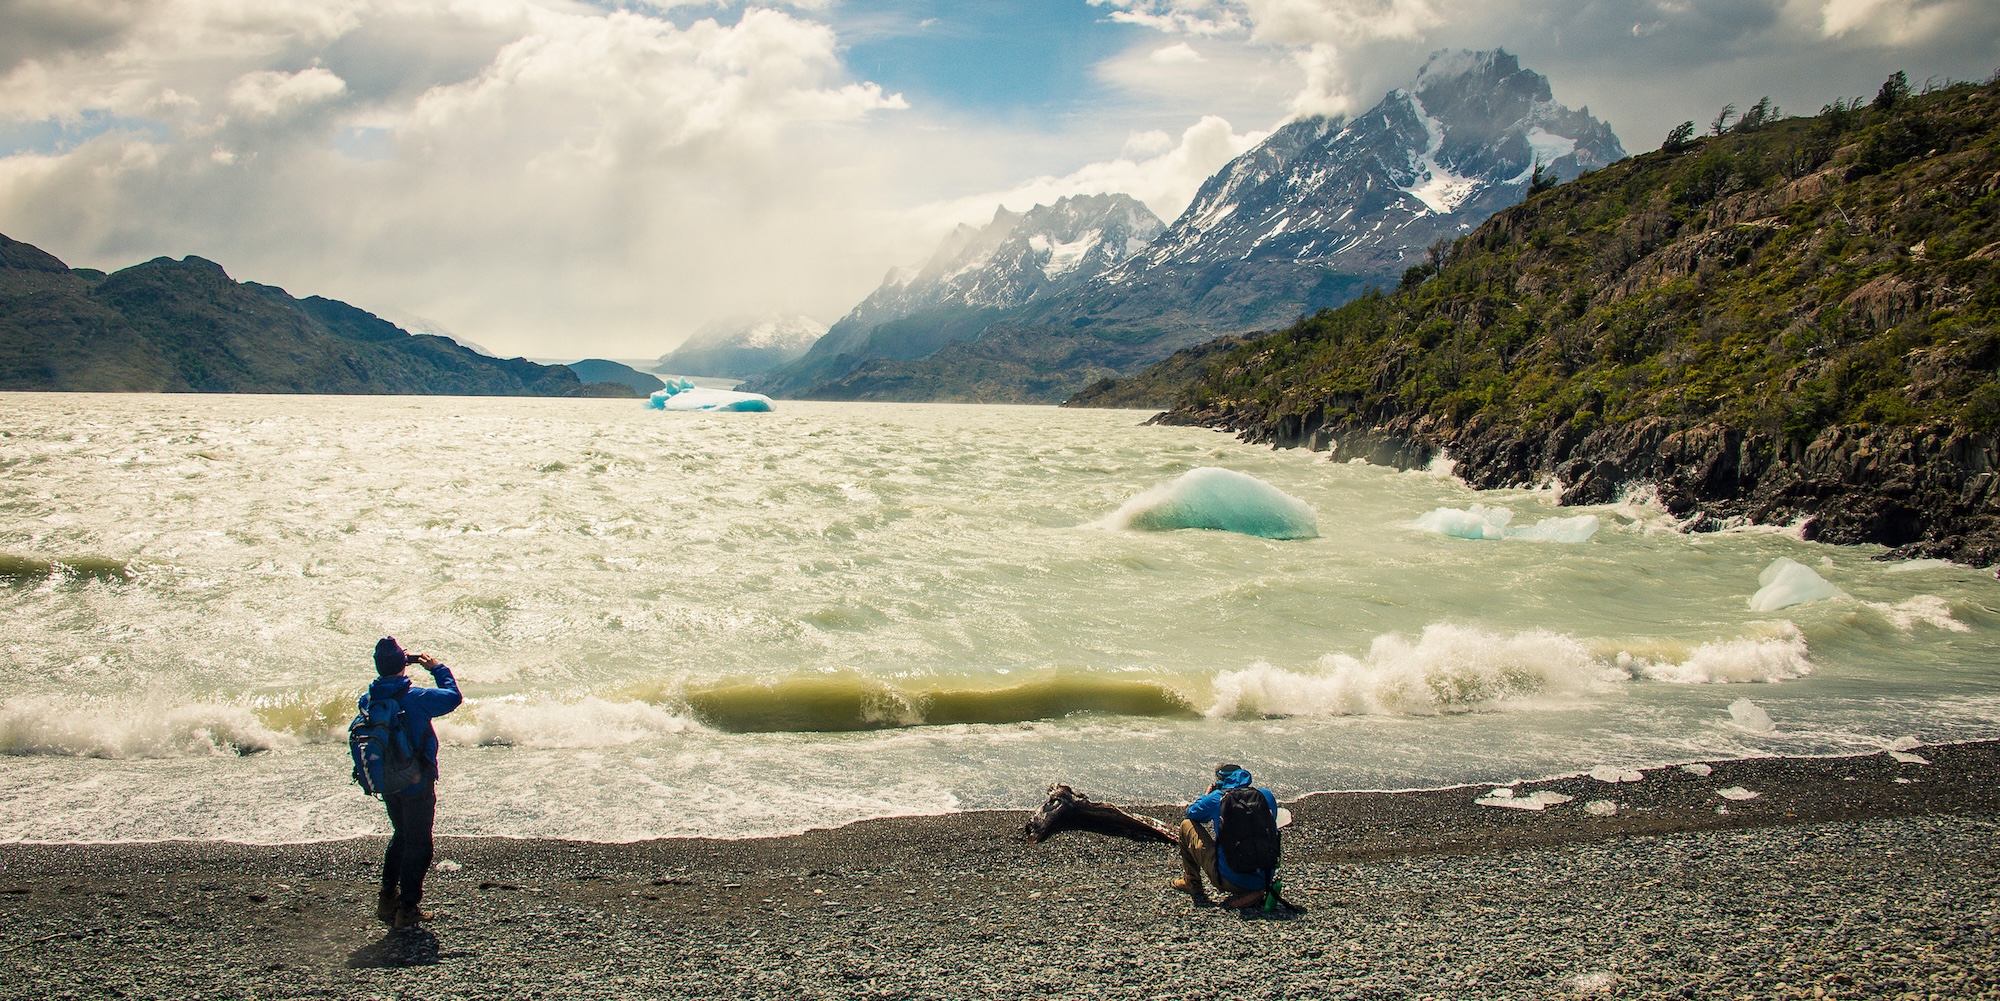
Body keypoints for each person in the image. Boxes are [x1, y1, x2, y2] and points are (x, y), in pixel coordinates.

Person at [363, 636, 462, 928]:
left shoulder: (369, 700)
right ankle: (407, 909)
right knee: (419, 843)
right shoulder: (417, 698)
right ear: (402, 665)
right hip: (417, 783)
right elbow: (453, 697)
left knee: (401, 836)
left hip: (388, 781)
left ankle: (387, 898)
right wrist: (437, 668)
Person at [1174, 762, 1279, 909]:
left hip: (1230, 880)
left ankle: (1191, 882)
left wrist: (1206, 796)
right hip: (1266, 876)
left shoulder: (1218, 797)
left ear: (1220, 780)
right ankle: (1256, 886)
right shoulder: (1265, 795)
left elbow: (1192, 814)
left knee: (1186, 825)